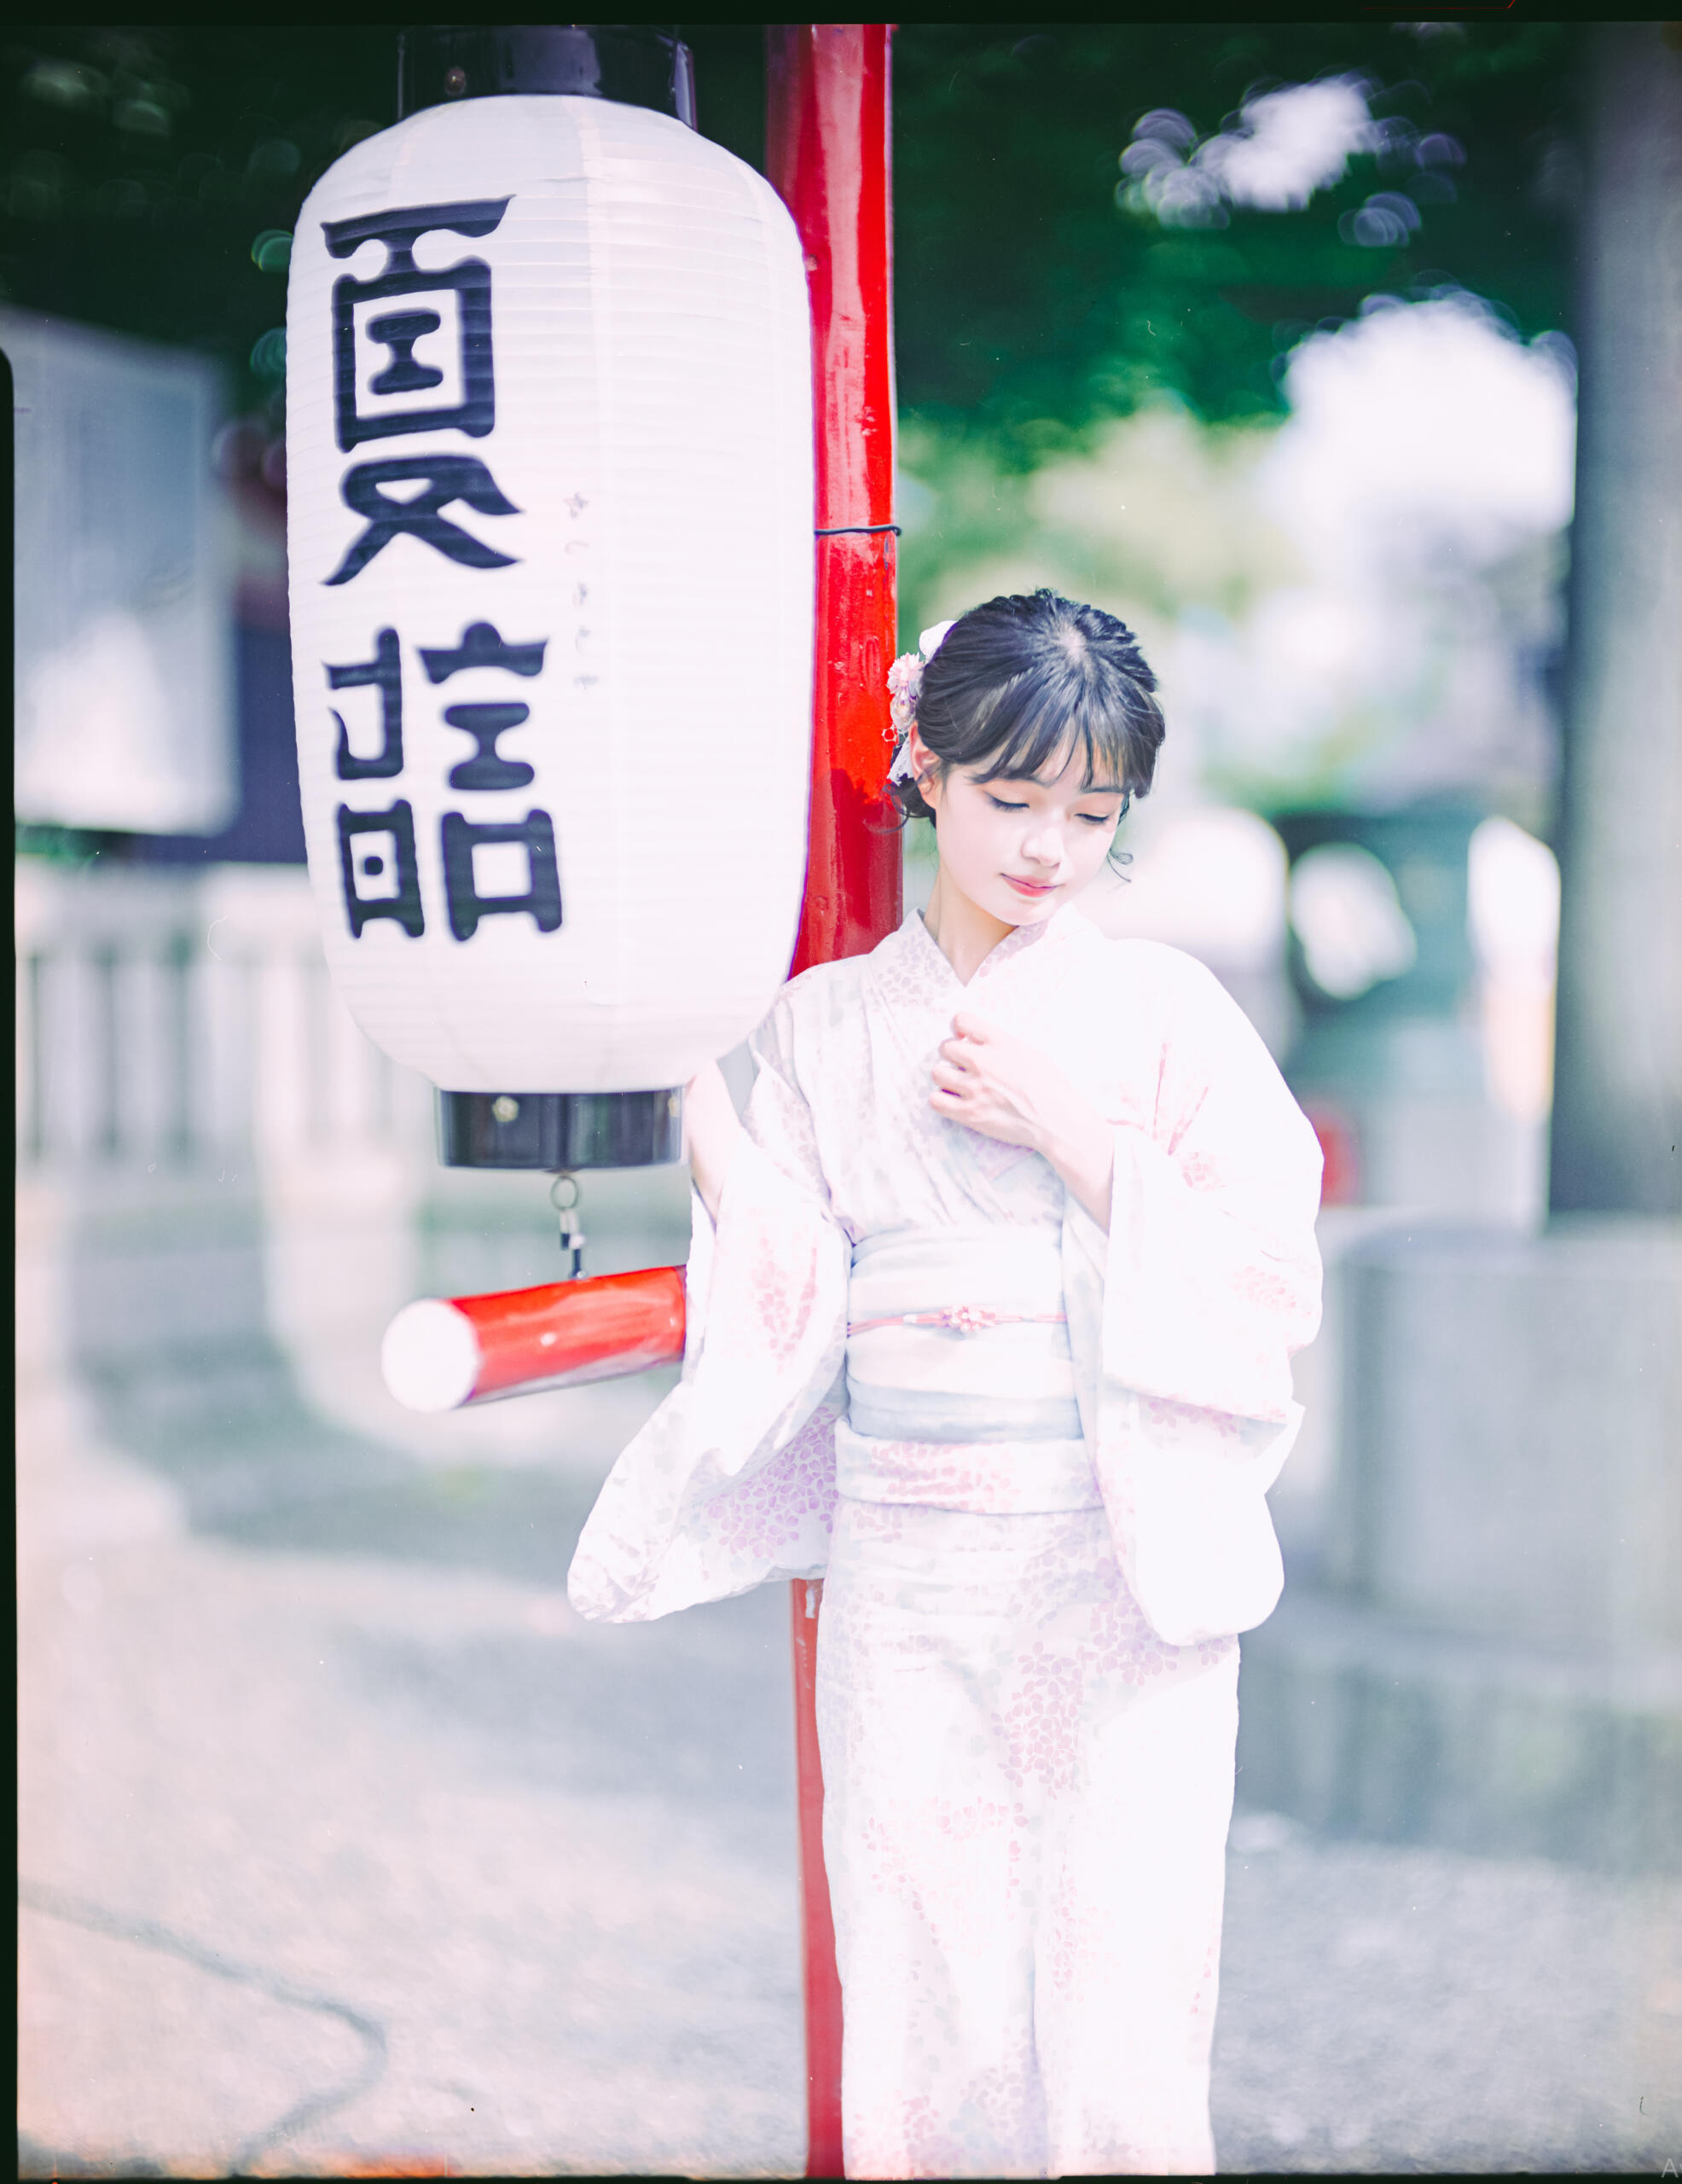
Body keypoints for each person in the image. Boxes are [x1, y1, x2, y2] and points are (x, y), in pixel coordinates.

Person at [568, 589, 1323, 2178]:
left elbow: (1269, 1270)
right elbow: (787, 1277)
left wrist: (1081, 1134)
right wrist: (681, 1080)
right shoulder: (828, 1028)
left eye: (1089, 812)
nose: (1047, 846)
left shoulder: (1163, 1013)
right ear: (923, 761)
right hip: (910, 1576)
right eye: (1010, 796)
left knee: (1127, 1984)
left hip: (1113, 1572)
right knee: (921, 1985)